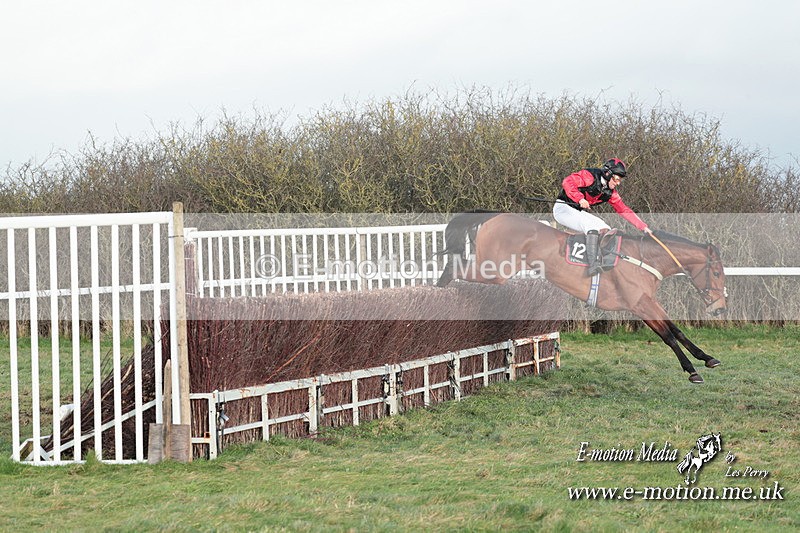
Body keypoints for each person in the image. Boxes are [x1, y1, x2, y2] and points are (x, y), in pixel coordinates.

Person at [553, 158, 652, 276]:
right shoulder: (590, 176)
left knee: (605, 227)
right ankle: (592, 265)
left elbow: (624, 210)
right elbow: (567, 182)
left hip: (576, 211)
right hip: (562, 208)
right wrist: (580, 198)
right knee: (590, 226)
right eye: (616, 179)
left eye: (620, 180)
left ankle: (604, 260)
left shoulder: (610, 193)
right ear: (607, 173)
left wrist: (643, 227)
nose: (618, 183)